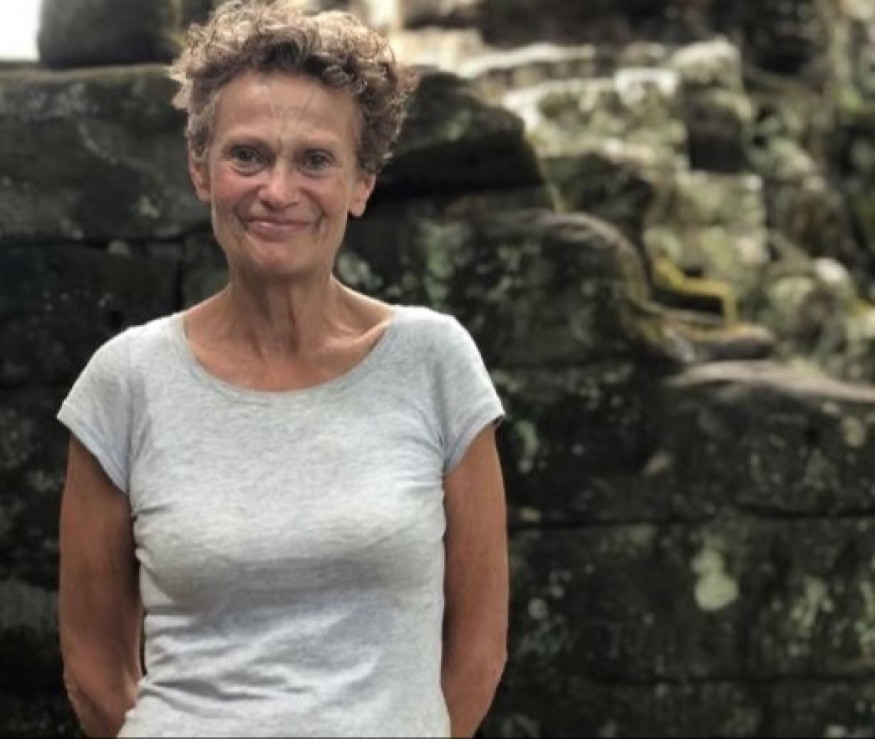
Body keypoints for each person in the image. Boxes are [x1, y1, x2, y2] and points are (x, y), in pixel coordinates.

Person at [56, 1, 509, 736]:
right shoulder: (125, 382)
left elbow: (479, 653)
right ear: (200, 170)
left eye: (315, 160)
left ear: (361, 184)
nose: (277, 190)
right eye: (247, 155)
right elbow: (94, 670)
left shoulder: (435, 362)